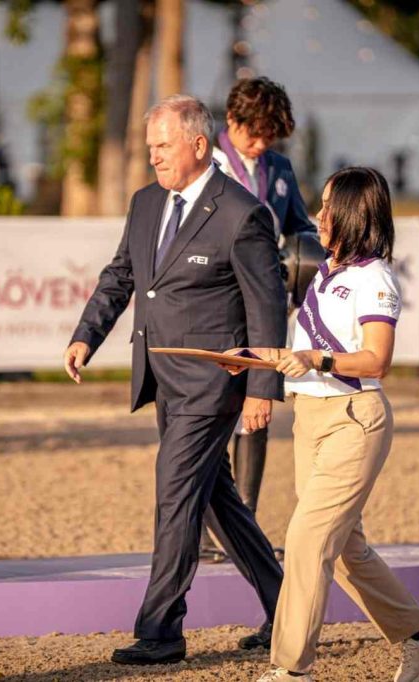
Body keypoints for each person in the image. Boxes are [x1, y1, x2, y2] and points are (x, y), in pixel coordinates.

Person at [63, 94, 287, 664]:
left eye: (163, 146)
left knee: (175, 491)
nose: (154, 157)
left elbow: (266, 306)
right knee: (216, 502)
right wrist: (86, 336)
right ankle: (288, 606)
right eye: (150, 148)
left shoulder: (242, 213)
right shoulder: (145, 203)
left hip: (214, 385)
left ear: (198, 144)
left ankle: (161, 631)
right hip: (163, 380)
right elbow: (121, 275)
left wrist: (261, 389)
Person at [218, 167, 419, 682]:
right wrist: (255, 358)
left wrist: (318, 360)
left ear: (352, 214)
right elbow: (298, 354)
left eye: (327, 207)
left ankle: (291, 667)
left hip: (354, 420)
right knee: (344, 550)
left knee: (306, 539)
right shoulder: (325, 272)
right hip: (310, 419)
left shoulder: (375, 278)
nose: (318, 216)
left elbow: (376, 360)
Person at [200, 77, 317, 566]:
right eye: (256, 133)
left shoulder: (280, 169)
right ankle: (206, 532)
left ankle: (243, 527)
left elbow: (302, 230)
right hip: (214, 311)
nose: (263, 144)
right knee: (210, 417)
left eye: (272, 135)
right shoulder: (205, 165)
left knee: (256, 414)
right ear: (232, 120)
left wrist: (299, 259)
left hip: (266, 309)